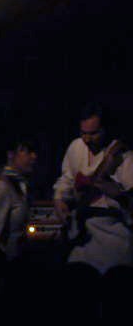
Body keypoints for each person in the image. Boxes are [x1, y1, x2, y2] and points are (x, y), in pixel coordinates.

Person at [52, 104, 133, 273]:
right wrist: (59, 199)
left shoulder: (124, 157)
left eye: (94, 133)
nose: (87, 139)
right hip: (82, 233)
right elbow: (67, 179)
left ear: (106, 129)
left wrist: (118, 194)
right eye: (83, 133)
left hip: (113, 235)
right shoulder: (76, 147)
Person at [0, 138, 38, 260]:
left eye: (34, 152)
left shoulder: (18, 185)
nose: (34, 156)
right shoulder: (1, 188)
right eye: (27, 151)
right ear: (10, 154)